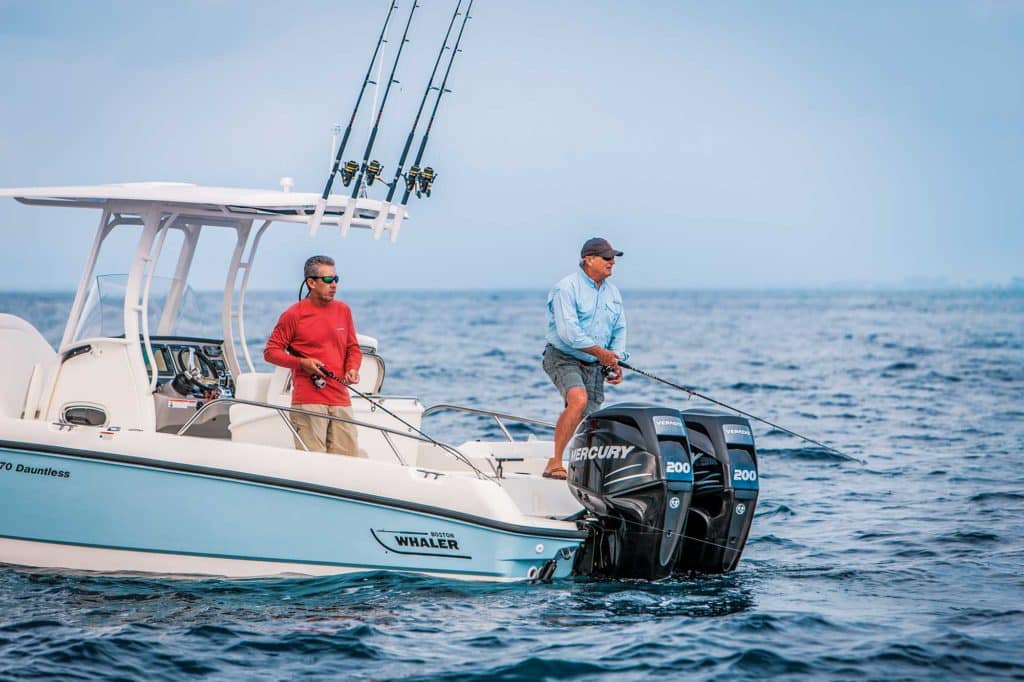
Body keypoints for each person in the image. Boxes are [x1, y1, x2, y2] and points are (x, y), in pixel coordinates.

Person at [542, 237, 628, 479]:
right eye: (607, 258)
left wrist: (615, 360)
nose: (612, 262)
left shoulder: (613, 292)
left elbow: (620, 329)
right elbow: (568, 333)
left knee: (590, 418)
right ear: (588, 260)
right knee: (577, 400)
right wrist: (602, 353)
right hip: (563, 356)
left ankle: (583, 469)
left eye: (614, 258)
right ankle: (555, 462)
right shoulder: (566, 288)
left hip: (595, 364)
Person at [264, 255, 363, 456]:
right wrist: (301, 363)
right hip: (309, 401)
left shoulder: (343, 310)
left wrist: (352, 368)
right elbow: (270, 352)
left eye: (336, 279)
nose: (333, 285)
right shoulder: (294, 314)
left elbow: (353, 348)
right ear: (311, 282)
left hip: (340, 399)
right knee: (314, 465)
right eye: (327, 280)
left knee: (349, 463)